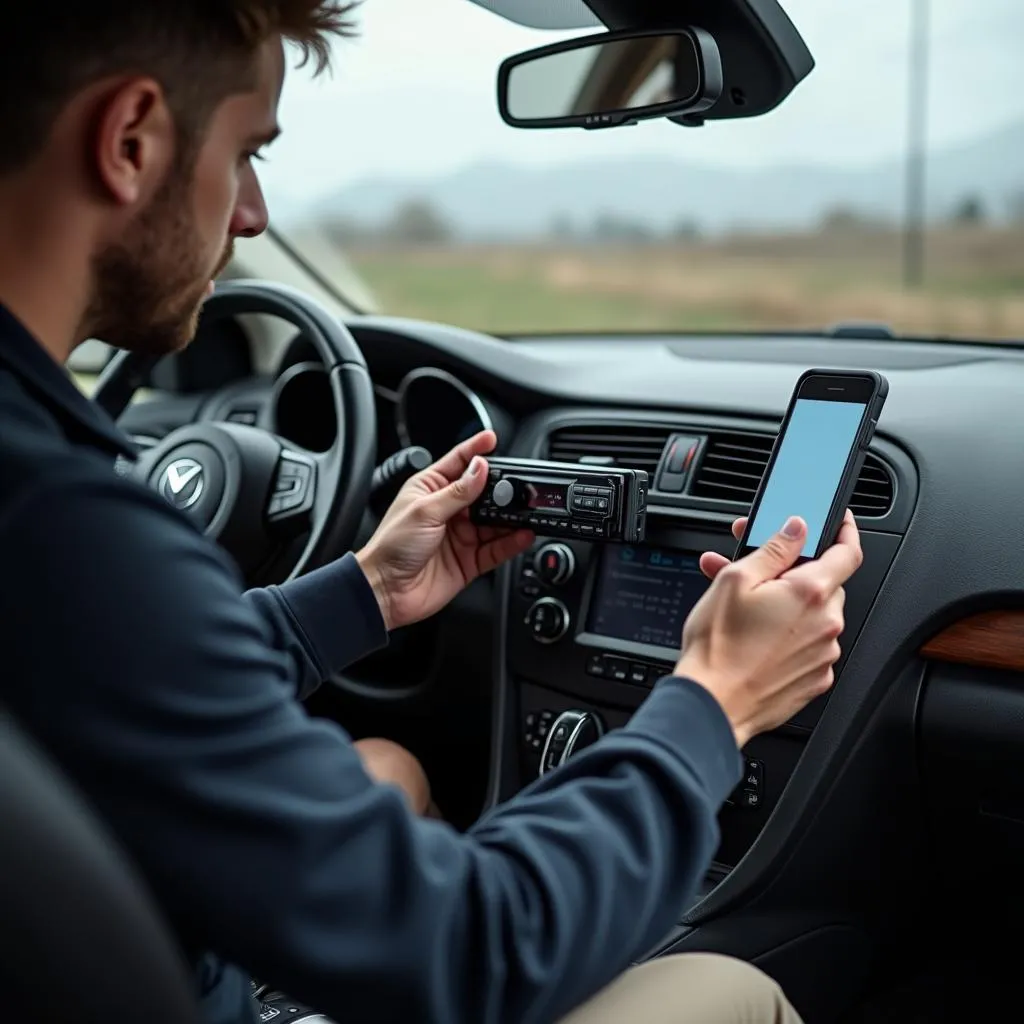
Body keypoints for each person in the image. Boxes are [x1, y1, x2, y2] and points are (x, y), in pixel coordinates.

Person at [0, 4, 861, 1023]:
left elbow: (113, 675)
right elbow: (478, 950)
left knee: (389, 768)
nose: (253, 215)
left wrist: (363, 591)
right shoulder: (70, 531)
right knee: (732, 989)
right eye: (245, 153)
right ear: (131, 139)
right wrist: (713, 704)